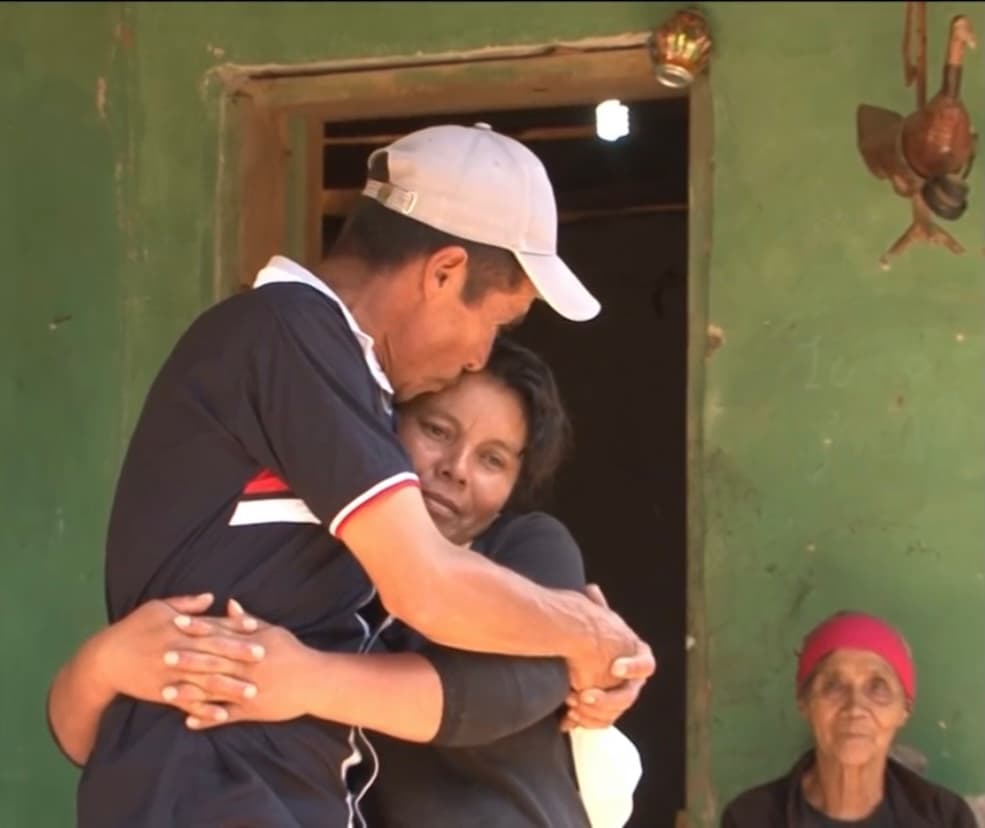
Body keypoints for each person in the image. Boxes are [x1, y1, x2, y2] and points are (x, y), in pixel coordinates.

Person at [49, 122, 654, 827]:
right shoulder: (286, 332)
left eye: (492, 457)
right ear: (443, 272)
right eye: (499, 321)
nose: (478, 355)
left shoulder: (343, 379)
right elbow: (425, 584)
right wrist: (589, 633)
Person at [49, 337, 644, 827]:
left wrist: (306, 679)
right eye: (436, 430)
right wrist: (102, 665)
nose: (455, 470)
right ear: (376, 433)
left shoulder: (526, 551)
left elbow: (502, 690)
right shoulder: (312, 567)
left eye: (493, 460)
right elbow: (122, 742)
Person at [721, 611, 977, 827]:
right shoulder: (751, 818)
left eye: (877, 688)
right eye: (833, 686)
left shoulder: (945, 818)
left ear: (904, 709)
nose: (855, 707)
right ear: (804, 702)